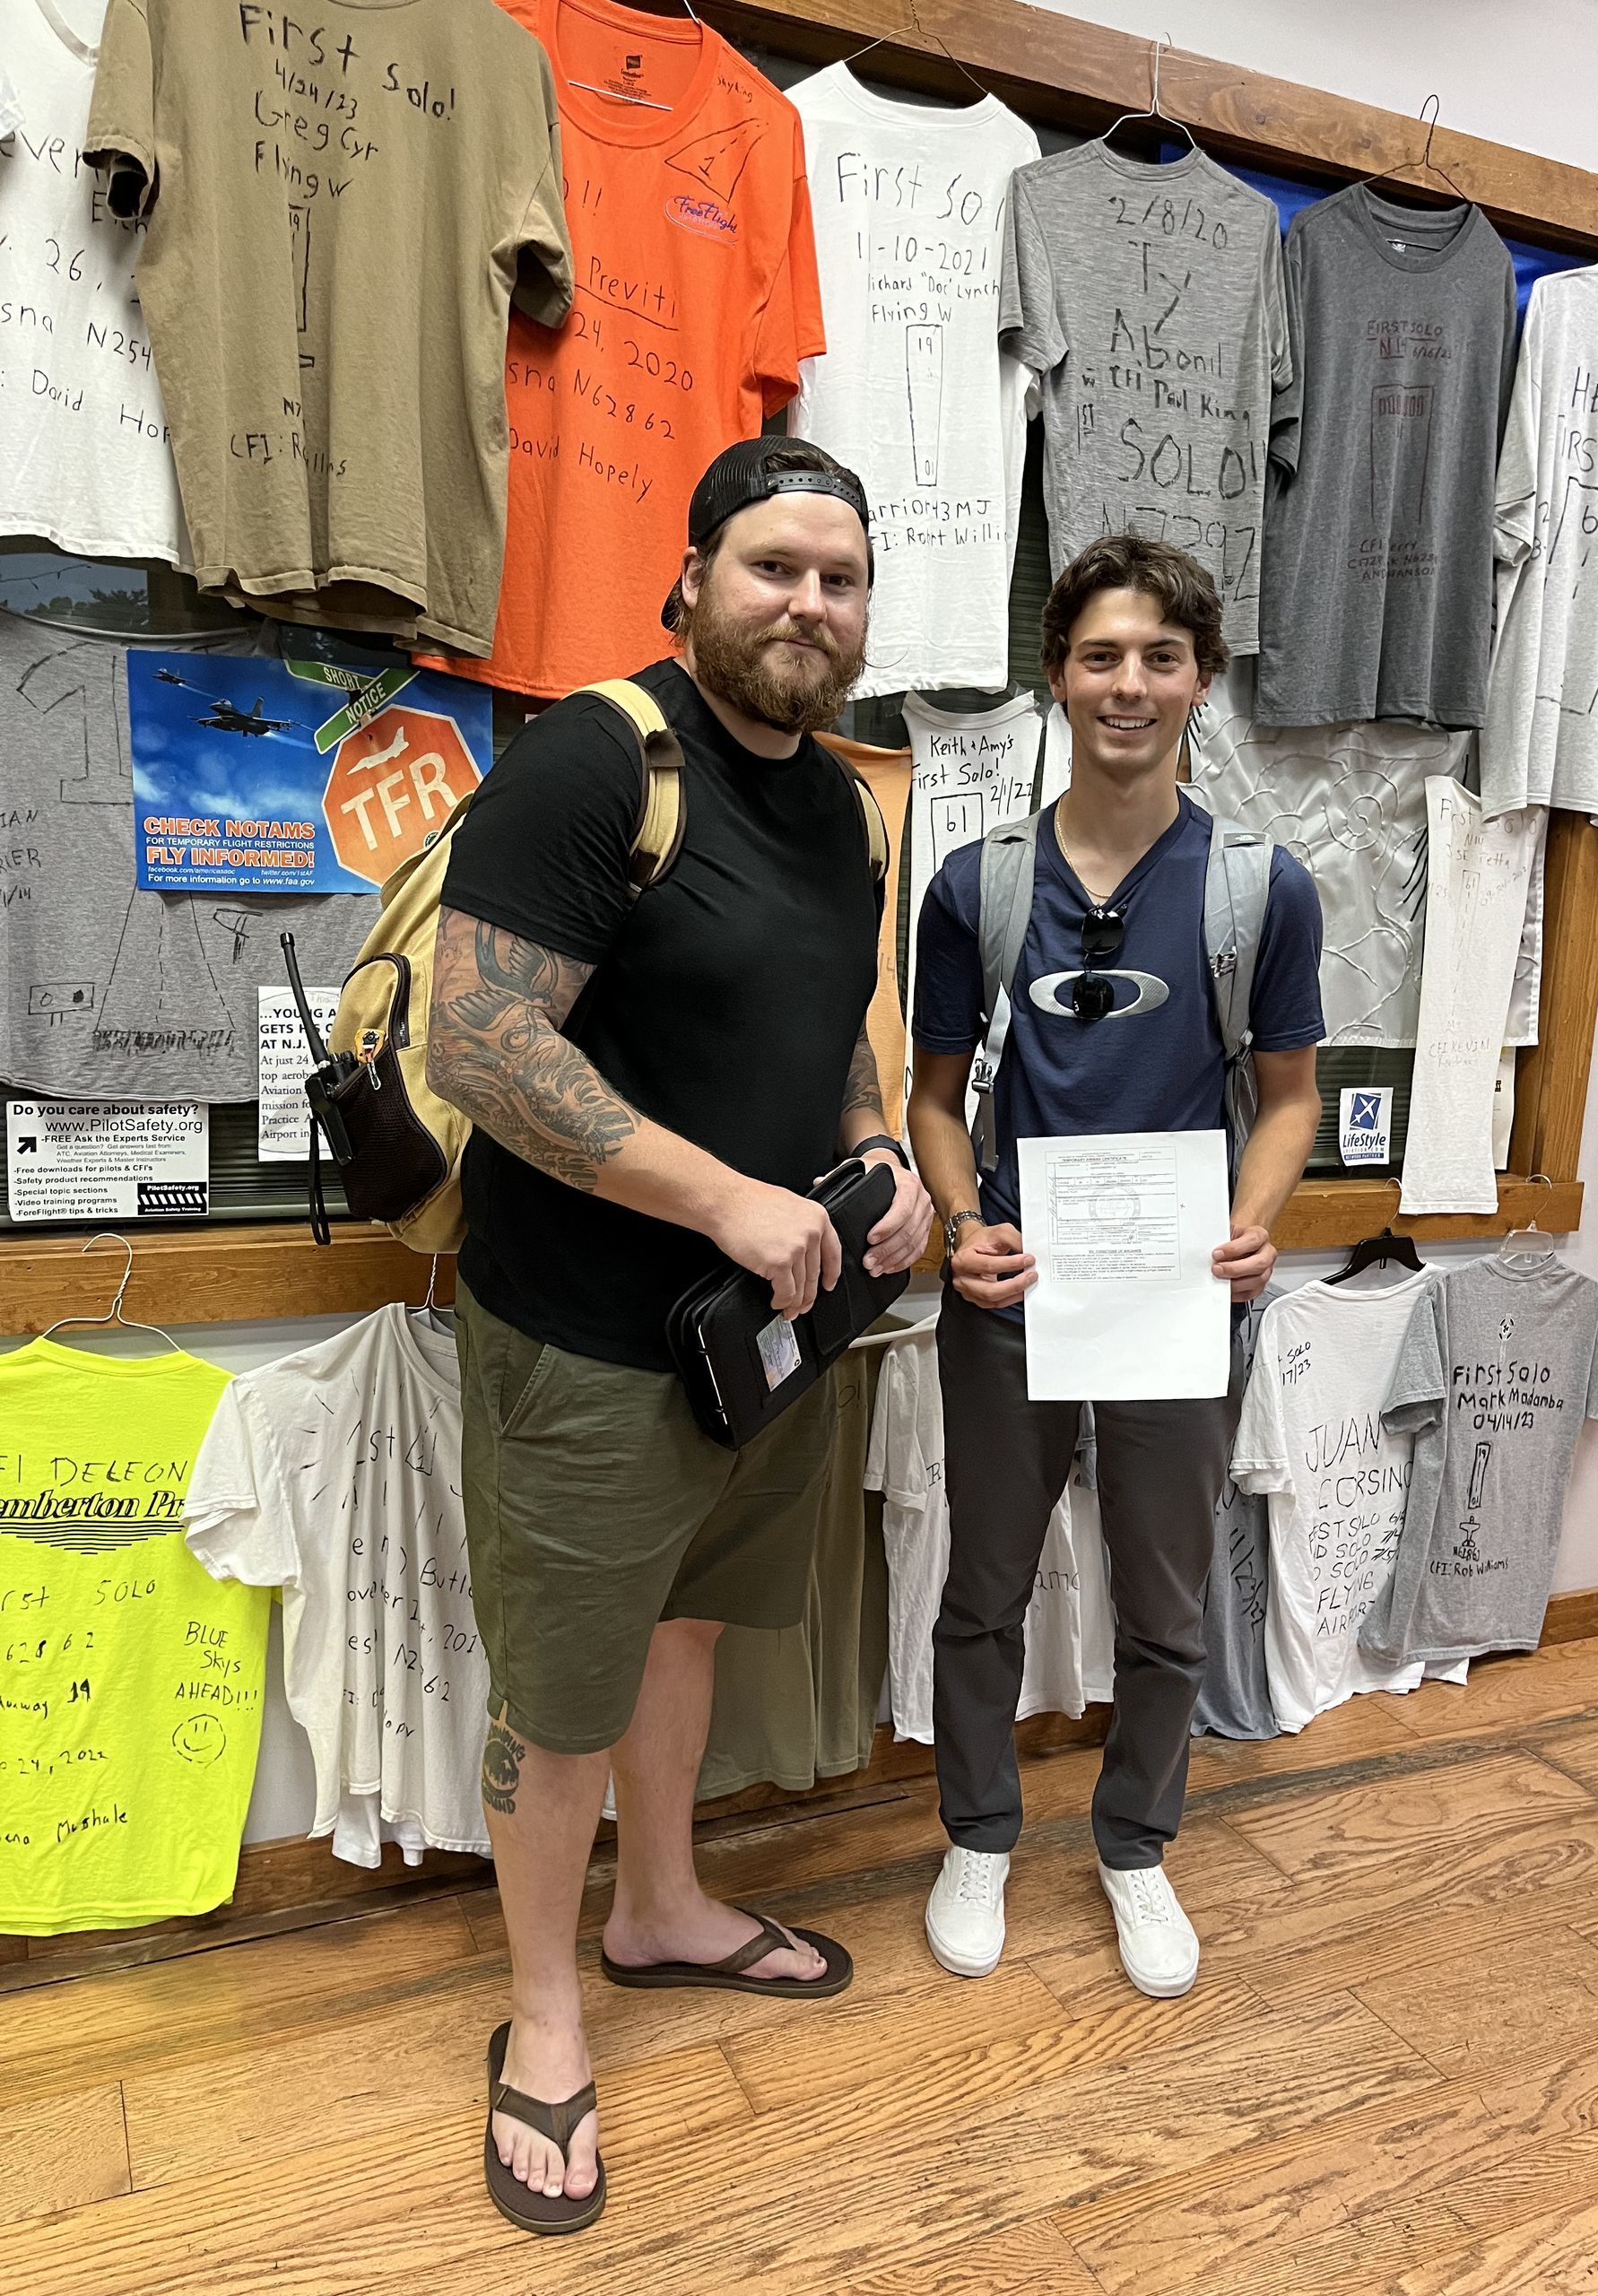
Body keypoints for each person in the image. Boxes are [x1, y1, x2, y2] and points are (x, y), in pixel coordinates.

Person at [425, 436, 934, 2235]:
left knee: (691, 1627)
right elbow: (475, 1043)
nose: (810, 603)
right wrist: (725, 1195)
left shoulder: (841, 803)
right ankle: (547, 2007)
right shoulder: (595, 756)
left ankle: (661, 1910)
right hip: (582, 1337)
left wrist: (874, 1149)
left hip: (764, 1337)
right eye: (775, 565)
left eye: (841, 575)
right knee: (563, 1693)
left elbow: (837, 1026)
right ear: (695, 576)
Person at [906, 535, 1324, 1999]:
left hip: (1174, 1300)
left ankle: (1136, 1845)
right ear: (1056, 675)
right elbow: (934, 1099)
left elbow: (1286, 1098)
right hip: (1017, 1292)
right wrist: (963, 1226)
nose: (1128, 684)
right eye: (1100, 656)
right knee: (986, 1584)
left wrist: (1250, 1225)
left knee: (1166, 1599)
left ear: (1200, 680)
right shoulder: (977, 885)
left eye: (1159, 657)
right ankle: (979, 1834)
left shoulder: (1260, 891)